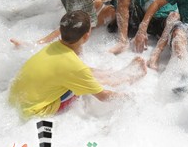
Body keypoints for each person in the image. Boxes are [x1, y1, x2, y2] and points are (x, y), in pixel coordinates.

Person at [9, 11, 146, 118]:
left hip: (15, 101)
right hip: (34, 111)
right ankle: (129, 76)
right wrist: (130, 99)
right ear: (87, 36)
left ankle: (117, 74)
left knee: (80, 74)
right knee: (80, 80)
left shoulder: (52, 48)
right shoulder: (74, 66)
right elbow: (104, 97)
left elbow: (77, 70)